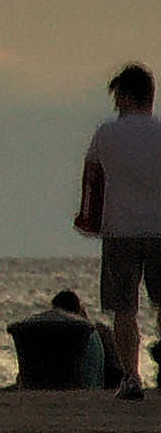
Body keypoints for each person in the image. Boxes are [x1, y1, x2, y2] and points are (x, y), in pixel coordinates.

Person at [78, 63, 161, 400]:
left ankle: (131, 377)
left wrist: (87, 220)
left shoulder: (106, 134)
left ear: (125, 95)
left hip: (120, 230)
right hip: (159, 230)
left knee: (124, 309)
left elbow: (91, 178)